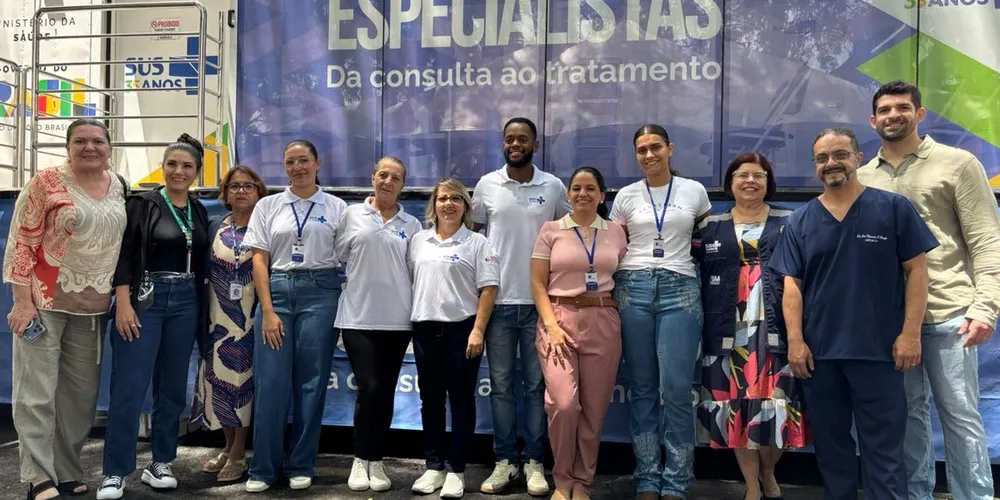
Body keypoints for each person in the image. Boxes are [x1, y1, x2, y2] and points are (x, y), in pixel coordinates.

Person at [768, 127, 938, 500]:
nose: (832, 163)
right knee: (832, 451)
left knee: (885, 451)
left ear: (858, 158)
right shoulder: (800, 221)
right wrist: (795, 343)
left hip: (879, 352)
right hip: (820, 356)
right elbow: (791, 287)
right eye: (822, 158)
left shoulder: (893, 208)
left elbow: (917, 271)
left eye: (840, 154)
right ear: (815, 167)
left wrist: (910, 334)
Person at [857, 80, 1000, 500]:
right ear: (873, 120)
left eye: (902, 108)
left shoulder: (958, 163)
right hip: (891, 323)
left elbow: (987, 241)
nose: (893, 115)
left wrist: (986, 307)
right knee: (906, 418)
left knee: (960, 417)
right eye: (884, 110)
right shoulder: (862, 177)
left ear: (920, 114)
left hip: (950, 313)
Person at [3, 119, 127, 500]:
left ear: (109, 147)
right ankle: (38, 476)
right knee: (36, 393)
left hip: (92, 309)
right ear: (68, 147)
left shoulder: (120, 185)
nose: (90, 147)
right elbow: (22, 243)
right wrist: (22, 302)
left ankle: (66, 468)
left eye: (97, 141)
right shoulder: (45, 182)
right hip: (44, 302)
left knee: (80, 397)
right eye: (80, 141)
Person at [98, 134, 211, 500]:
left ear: (197, 172)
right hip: (144, 299)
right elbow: (125, 253)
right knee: (129, 387)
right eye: (172, 164)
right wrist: (123, 300)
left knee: (173, 387)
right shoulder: (143, 204)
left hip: (186, 301)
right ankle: (114, 472)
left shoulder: (200, 209)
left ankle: (160, 461)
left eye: (187, 166)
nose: (179, 171)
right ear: (163, 167)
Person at [694, 153, 807, 500]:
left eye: (758, 175)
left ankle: (769, 471)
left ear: (768, 182)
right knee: (735, 409)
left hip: (776, 327)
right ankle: (751, 485)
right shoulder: (708, 226)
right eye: (742, 175)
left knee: (776, 407)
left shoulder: (791, 220)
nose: (750, 181)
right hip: (726, 330)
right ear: (730, 182)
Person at [609, 124, 711, 500]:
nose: (649, 155)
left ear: (670, 149)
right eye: (641, 150)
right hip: (633, 288)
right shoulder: (626, 196)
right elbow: (616, 246)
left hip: (680, 289)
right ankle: (648, 478)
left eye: (655, 147)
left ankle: (677, 481)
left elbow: (701, 240)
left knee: (677, 389)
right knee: (642, 389)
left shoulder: (695, 192)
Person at [242, 139, 348, 493]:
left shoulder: (336, 207)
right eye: (290, 162)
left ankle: (301, 464)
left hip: (321, 293)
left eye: (304, 160)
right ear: (284, 166)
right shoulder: (269, 205)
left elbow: (348, 255)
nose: (297, 167)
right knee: (271, 384)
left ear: (318, 163)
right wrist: (268, 311)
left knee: (311, 383)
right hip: (278, 292)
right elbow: (258, 258)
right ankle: (263, 468)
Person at [472, 117, 570, 496]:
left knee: (534, 388)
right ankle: (503, 462)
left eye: (523, 139)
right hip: (496, 303)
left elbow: (567, 232)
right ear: (503, 144)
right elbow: (476, 234)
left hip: (540, 304)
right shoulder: (487, 185)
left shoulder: (553, 186)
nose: (516, 144)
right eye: (510, 139)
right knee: (500, 387)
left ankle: (533, 461)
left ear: (535, 145)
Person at [530, 167, 628, 500]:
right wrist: (552, 325)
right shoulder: (551, 229)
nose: (582, 194)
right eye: (576, 188)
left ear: (602, 195)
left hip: (603, 318)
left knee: (594, 408)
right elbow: (537, 283)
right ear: (568, 194)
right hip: (558, 318)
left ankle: (582, 483)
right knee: (564, 404)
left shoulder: (616, 232)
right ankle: (562, 480)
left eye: (590, 188)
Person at [334, 156, 423, 493]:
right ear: (373, 178)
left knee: (384, 392)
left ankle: (377, 461)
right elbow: (339, 255)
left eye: (395, 177)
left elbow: (414, 271)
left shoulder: (411, 225)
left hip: (398, 321)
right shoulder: (351, 215)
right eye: (382, 175)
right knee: (369, 386)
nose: (388, 181)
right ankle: (360, 458)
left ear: (402, 185)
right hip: (357, 316)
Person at [409, 178, 500, 498]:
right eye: (442, 198)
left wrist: (478, 330)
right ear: (433, 205)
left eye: (456, 199)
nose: (448, 204)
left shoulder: (477, 243)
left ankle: (457, 470)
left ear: (465, 206)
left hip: (462, 330)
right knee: (429, 401)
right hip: (424, 329)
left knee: (461, 401)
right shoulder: (419, 240)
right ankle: (433, 466)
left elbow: (488, 289)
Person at [191, 165, 267, 483]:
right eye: (234, 186)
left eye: (248, 186)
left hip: (249, 319)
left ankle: (238, 452)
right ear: (225, 192)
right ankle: (226, 445)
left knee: (243, 385)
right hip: (217, 320)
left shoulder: (266, 226)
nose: (241, 191)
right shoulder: (214, 225)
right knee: (219, 383)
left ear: (259, 192)